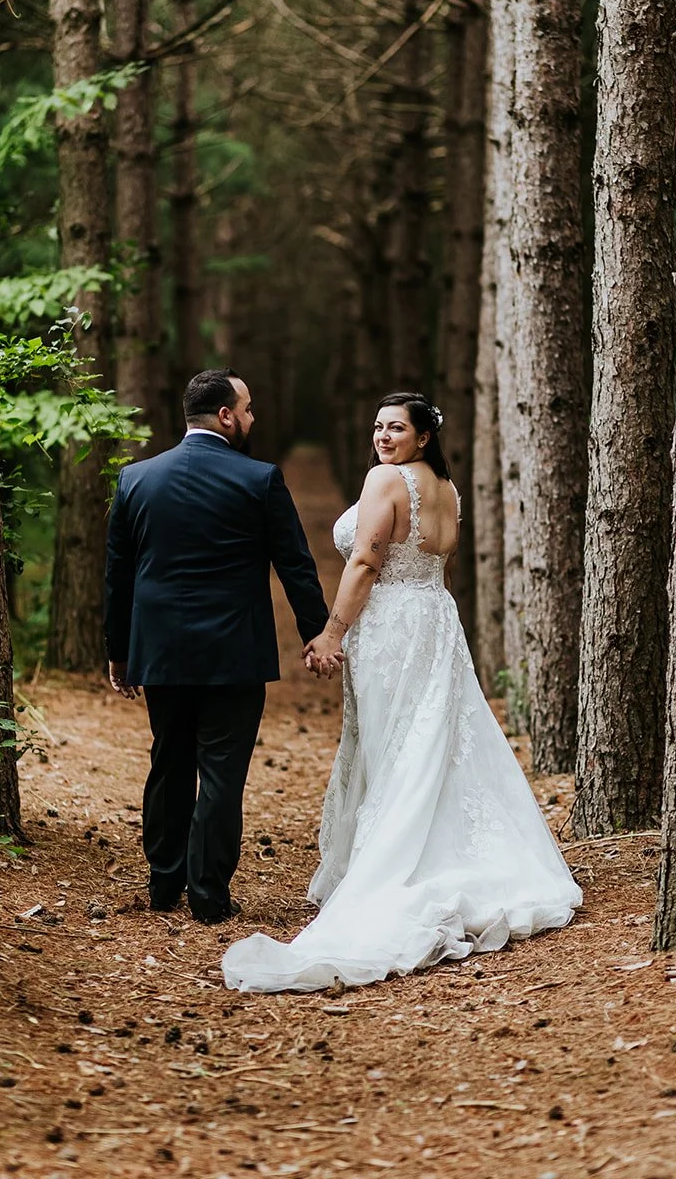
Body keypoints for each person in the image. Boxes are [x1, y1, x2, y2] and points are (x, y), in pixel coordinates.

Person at [222, 391, 582, 991]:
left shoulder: (385, 481)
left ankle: (393, 865)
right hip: (436, 617)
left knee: (397, 744)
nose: (382, 436)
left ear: (423, 437)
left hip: (391, 624)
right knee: (435, 735)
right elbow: (437, 558)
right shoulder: (448, 491)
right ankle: (454, 851)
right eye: (378, 425)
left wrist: (332, 633)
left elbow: (365, 560)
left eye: (396, 428)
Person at [104, 369, 329, 924]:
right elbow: (295, 564)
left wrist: (119, 650)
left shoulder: (136, 479)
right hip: (234, 652)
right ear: (226, 415)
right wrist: (318, 632)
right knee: (222, 772)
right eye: (247, 409)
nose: (252, 418)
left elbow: (119, 576)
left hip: (160, 651)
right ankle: (207, 894)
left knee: (169, 759)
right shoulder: (259, 479)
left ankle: (162, 883)